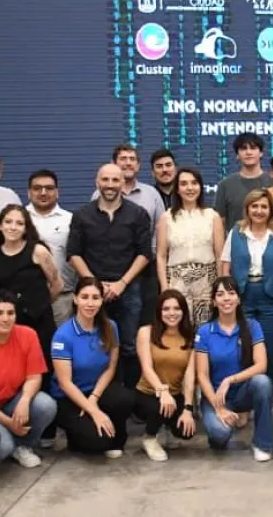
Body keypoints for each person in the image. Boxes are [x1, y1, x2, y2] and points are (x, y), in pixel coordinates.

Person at [68, 163, 153, 389]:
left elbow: (145, 254)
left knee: (129, 345)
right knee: (93, 344)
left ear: (123, 183)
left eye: (115, 180)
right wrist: (94, 285)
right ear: (97, 182)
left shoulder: (138, 214)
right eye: (105, 179)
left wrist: (121, 283)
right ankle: (95, 393)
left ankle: (129, 396)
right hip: (92, 293)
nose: (110, 185)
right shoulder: (82, 215)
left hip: (128, 289)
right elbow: (73, 254)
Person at [0, 290, 58, 468]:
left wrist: (25, 400)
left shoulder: (28, 335)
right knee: (3, 448)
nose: (6, 319)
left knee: (45, 405)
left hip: (10, 402)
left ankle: (23, 446)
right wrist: (8, 422)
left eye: (10, 313)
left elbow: (34, 376)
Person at [219, 188, 273, 399]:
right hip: (242, 295)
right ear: (247, 209)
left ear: (270, 210)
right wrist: (226, 294)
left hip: (271, 296)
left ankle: (266, 390)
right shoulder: (236, 232)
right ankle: (241, 389)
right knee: (242, 342)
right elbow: (225, 265)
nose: (259, 211)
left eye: (264, 206)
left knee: (269, 345)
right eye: (255, 206)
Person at [49, 278, 136, 457]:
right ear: (75, 299)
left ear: (102, 300)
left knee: (125, 399)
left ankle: (116, 439)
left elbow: (110, 368)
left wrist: (94, 398)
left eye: (95, 298)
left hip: (96, 390)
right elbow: (65, 383)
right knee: (97, 442)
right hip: (69, 397)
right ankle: (77, 438)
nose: (90, 303)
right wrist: (93, 411)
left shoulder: (110, 327)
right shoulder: (63, 335)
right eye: (85, 297)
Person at [195, 278, 273, 461]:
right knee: (220, 434)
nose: (226, 298)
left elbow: (261, 365)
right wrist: (219, 407)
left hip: (242, 392)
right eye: (220, 294)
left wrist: (230, 379)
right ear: (214, 302)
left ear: (238, 299)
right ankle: (220, 428)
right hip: (216, 396)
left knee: (263, 382)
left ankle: (262, 444)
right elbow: (202, 375)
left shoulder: (252, 326)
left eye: (231, 293)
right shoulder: (205, 331)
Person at [0, 204, 63, 364]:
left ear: (26, 228)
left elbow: (57, 285)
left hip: (40, 324)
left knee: (42, 366)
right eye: (8, 222)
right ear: (0, 226)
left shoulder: (38, 251)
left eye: (19, 223)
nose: (13, 227)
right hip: (9, 324)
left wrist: (40, 304)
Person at [133, 290, 197, 462]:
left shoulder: (190, 336)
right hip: (147, 393)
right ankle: (149, 437)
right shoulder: (146, 332)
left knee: (186, 431)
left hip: (174, 395)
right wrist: (162, 391)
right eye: (166, 309)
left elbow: (189, 375)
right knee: (159, 407)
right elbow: (147, 367)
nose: (171, 313)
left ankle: (167, 426)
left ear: (183, 311)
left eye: (176, 308)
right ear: (159, 312)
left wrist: (188, 409)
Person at [155, 167, 224, 324]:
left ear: (200, 186)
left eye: (194, 183)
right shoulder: (166, 217)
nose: (189, 188)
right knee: (178, 326)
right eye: (184, 184)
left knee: (204, 328)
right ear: (177, 189)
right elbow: (161, 256)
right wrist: (165, 287)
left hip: (207, 281)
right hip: (176, 281)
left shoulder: (212, 216)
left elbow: (220, 255)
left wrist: (220, 287)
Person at [26, 170, 76, 326]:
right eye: (37, 188)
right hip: (26, 300)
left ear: (57, 192)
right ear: (29, 193)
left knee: (59, 340)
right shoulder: (19, 219)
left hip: (62, 300)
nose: (43, 193)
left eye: (49, 188)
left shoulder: (70, 220)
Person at [213, 132, 273, 225]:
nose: (248, 152)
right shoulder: (225, 185)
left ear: (261, 153)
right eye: (243, 148)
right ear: (237, 155)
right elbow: (220, 221)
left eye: (253, 148)